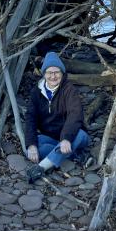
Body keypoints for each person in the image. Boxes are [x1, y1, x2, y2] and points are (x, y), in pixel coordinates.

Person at [24, 51, 91, 183]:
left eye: (56, 72)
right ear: (44, 74)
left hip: (72, 136)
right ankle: (74, 155)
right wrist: (31, 145)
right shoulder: (36, 92)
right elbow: (30, 117)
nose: (53, 76)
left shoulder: (69, 90)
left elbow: (75, 115)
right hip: (52, 138)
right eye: (49, 72)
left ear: (62, 73)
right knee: (35, 146)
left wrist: (66, 139)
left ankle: (41, 167)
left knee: (81, 135)